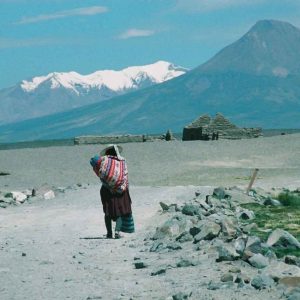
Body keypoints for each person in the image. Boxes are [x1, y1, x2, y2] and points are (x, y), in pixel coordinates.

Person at [90, 144, 134, 239]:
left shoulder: (103, 161)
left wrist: (110, 186)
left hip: (106, 189)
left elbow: (101, 175)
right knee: (120, 210)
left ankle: (109, 233)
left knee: (108, 211)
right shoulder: (122, 161)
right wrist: (120, 186)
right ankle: (117, 232)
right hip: (120, 190)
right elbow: (125, 175)